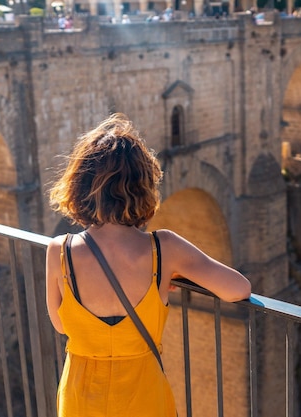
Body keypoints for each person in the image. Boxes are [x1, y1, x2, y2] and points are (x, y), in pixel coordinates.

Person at [46, 113, 251, 417]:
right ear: (144, 186)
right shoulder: (163, 248)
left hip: (81, 396)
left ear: (81, 186)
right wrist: (171, 273)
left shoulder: (58, 251)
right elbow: (238, 289)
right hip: (143, 397)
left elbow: (62, 324)